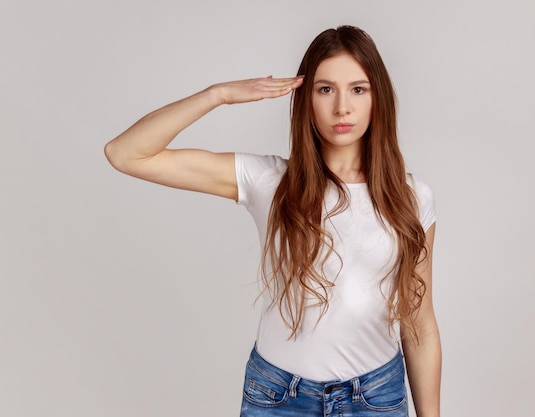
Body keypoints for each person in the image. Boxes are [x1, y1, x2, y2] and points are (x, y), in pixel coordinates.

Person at [105, 25, 441, 417]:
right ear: (305, 98)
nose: (342, 108)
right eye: (325, 89)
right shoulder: (269, 181)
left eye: (358, 89)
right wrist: (219, 95)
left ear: (377, 97)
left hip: (376, 396)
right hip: (280, 398)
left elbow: (419, 324)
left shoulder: (412, 197)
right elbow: (126, 153)